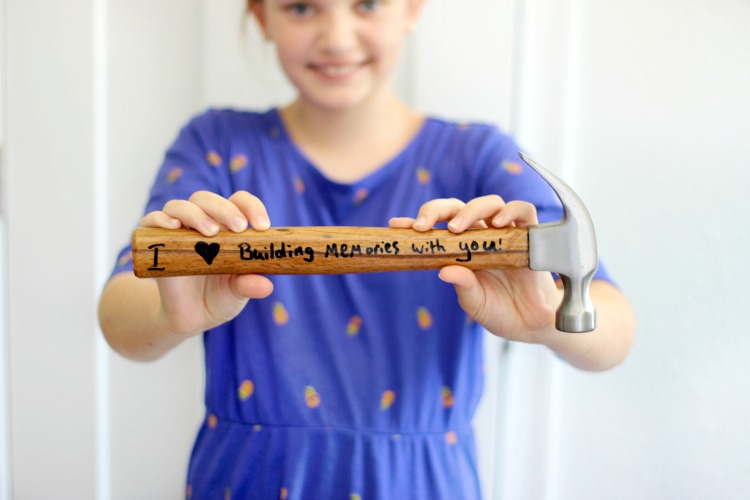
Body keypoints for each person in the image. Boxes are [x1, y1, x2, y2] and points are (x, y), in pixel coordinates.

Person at [98, 0, 636, 497]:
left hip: (420, 484)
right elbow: (120, 316)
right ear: (261, 15)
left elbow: (613, 327)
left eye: (368, 3)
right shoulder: (214, 143)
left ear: (412, 8)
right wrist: (172, 314)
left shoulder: (478, 156)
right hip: (246, 479)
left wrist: (545, 320)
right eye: (302, 6)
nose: (336, 37)